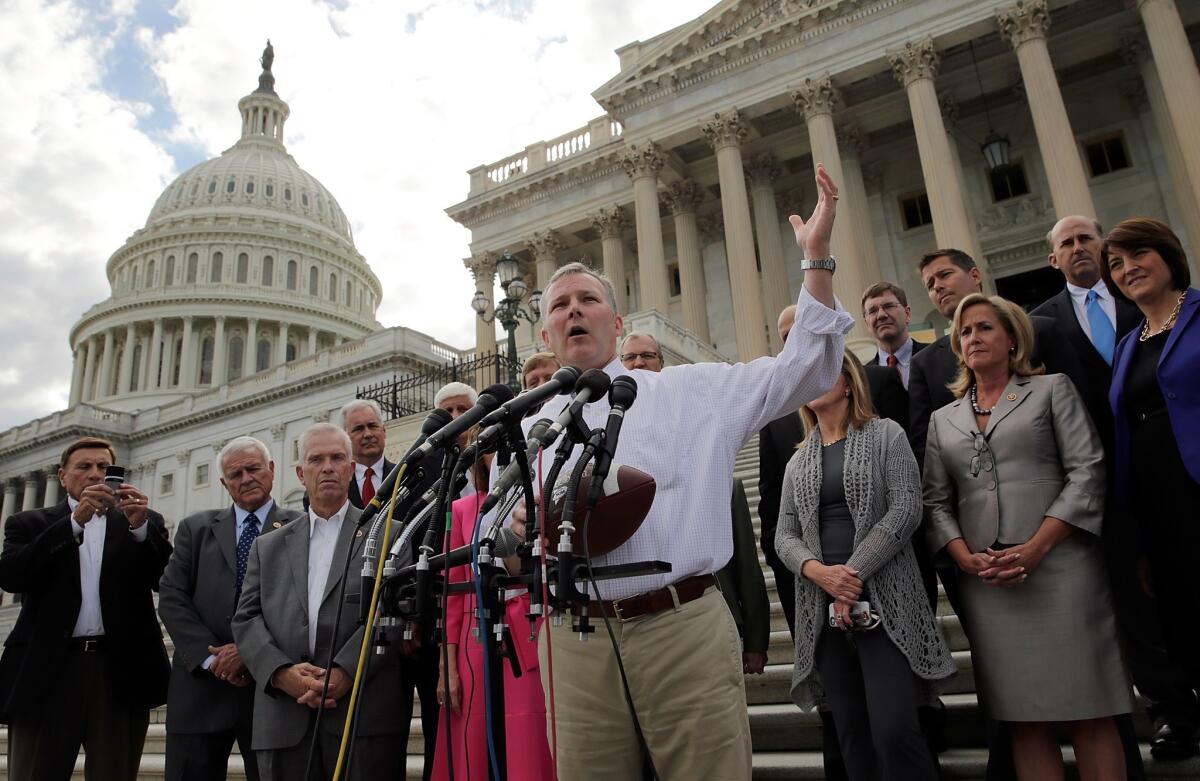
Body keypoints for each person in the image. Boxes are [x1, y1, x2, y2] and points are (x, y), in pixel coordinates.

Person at [500, 164, 852, 779]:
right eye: (561, 306)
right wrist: (514, 533)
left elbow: (808, 371)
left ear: (617, 322)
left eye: (589, 301)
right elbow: (500, 547)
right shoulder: (532, 427)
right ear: (548, 331)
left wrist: (815, 262)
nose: (575, 311)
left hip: (680, 625)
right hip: (573, 637)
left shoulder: (693, 392)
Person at [923, 293, 1131, 780]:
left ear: (1012, 338)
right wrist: (964, 557)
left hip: (1062, 567)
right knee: (1023, 719)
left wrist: (1037, 545)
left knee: (1091, 709)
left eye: (984, 328)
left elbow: (1088, 470)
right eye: (965, 331)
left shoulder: (1052, 389)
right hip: (989, 583)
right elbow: (934, 501)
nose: (973, 337)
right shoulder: (941, 419)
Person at [1034, 215, 1197, 760]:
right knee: (1147, 598)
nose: (1080, 249)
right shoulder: (1044, 324)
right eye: (1067, 243)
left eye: (1087, 239)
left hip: (1183, 469)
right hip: (1124, 485)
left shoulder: (1156, 306)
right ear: (1052, 259)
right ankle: (1172, 707)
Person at [777, 349, 954, 780]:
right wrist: (820, 574)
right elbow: (784, 534)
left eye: (826, 371)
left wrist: (849, 575)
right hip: (822, 607)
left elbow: (907, 508)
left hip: (883, 596)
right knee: (851, 733)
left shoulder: (885, 435)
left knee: (895, 730)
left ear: (849, 380)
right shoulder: (797, 459)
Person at [232, 423, 407, 780]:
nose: (327, 467)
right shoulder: (268, 546)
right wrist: (282, 674)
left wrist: (346, 671)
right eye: (316, 459)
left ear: (350, 467)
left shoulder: (388, 532)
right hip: (284, 716)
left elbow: (392, 611)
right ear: (300, 472)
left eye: (337, 458)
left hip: (361, 713)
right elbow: (246, 619)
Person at [0, 436, 171, 781]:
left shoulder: (141, 520)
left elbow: (165, 581)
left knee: (115, 772)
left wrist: (141, 530)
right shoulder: (28, 523)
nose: (95, 474)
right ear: (62, 476)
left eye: (104, 467)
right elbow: (13, 576)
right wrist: (74, 523)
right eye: (85, 467)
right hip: (47, 669)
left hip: (118, 671)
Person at [1104, 217, 1200, 756]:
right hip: (1155, 501)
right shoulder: (1126, 345)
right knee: (1182, 611)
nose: (1127, 269)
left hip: (1197, 484)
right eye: (1116, 263)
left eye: (1137, 254)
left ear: (1168, 255)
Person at [621, 332, 770, 676]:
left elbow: (746, 566)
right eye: (630, 358)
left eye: (648, 355)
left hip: (710, 620)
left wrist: (756, 640)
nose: (640, 363)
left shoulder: (720, 479)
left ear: (663, 364)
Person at [159, 436, 303, 781]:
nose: (246, 478)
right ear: (224, 483)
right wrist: (212, 658)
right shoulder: (196, 528)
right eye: (235, 474)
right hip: (200, 688)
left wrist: (250, 652)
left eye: (253, 469)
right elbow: (172, 595)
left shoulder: (301, 527)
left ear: (271, 470)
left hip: (269, 689)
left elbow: (301, 603)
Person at [431, 437, 555, 780]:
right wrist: (447, 663)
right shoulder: (463, 509)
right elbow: (451, 593)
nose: (499, 454)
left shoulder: (539, 497)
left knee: (526, 745)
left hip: (528, 634)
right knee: (474, 745)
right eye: (491, 445)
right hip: (475, 637)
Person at [908, 248, 1085, 469]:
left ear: (975, 275)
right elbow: (926, 450)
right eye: (930, 284)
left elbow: (1079, 417)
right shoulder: (924, 364)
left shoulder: (1041, 331)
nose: (937, 286)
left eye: (944, 275)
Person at [861, 281, 928, 391]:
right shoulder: (863, 378)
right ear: (867, 323)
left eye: (888, 306)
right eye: (873, 311)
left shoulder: (935, 358)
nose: (881, 315)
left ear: (907, 314)